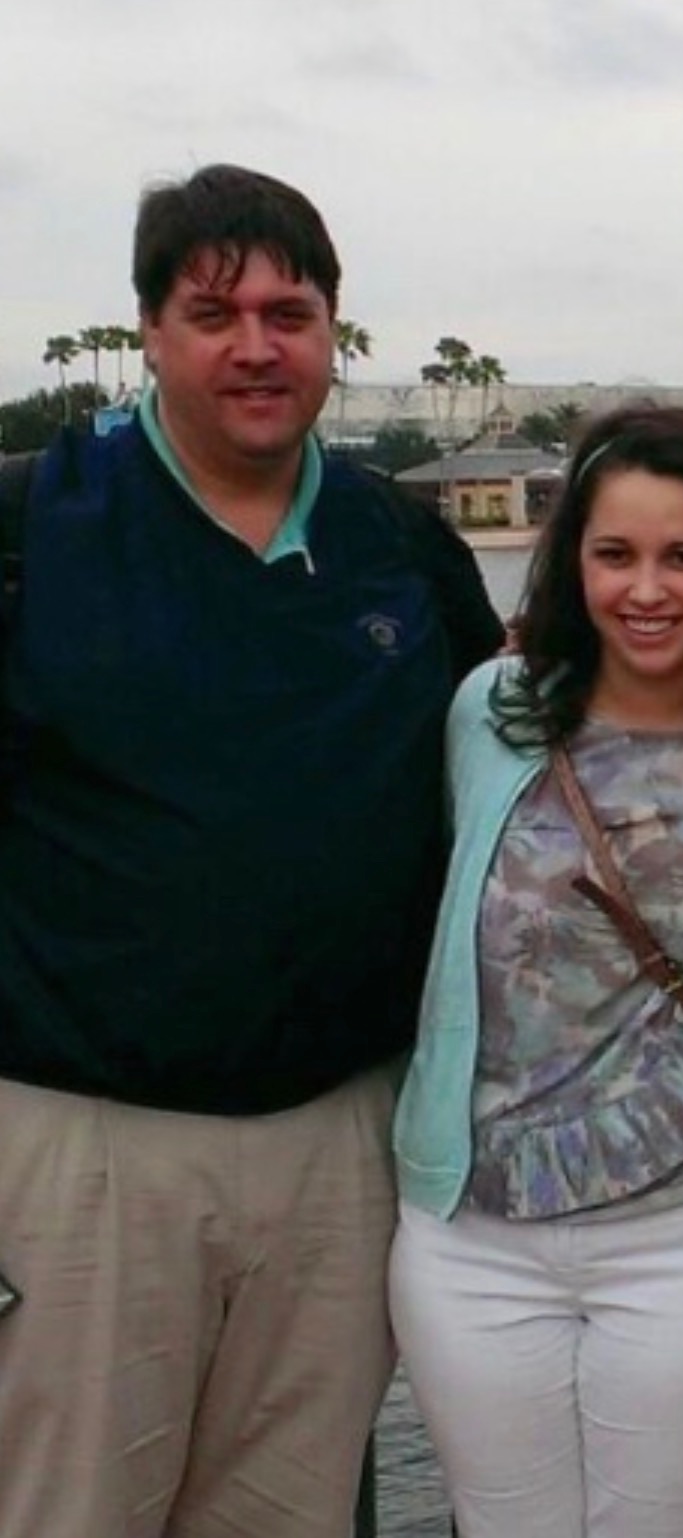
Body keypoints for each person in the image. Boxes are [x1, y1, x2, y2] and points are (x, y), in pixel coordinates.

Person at [0, 164, 502, 1537]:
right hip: (82, 1149)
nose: (256, 347)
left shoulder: (401, 544)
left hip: (344, 1142)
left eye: (289, 313)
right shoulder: (33, 527)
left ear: (332, 330)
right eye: (214, 314)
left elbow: (504, 787)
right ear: (150, 333)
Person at [390, 404, 683, 1538]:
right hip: (474, 1238)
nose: (646, 588)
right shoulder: (492, 714)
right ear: (572, 562)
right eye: (614, 554)